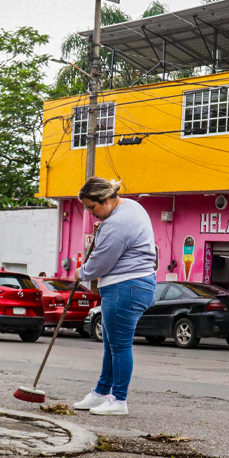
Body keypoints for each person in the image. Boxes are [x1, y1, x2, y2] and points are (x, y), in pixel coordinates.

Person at [72, 178, 157, 416]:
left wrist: (82, 272)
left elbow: (100, 262)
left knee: (119, 347)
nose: (90, 213)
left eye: (92, 207)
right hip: (134, 284)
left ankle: (119, 400)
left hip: (125, 287)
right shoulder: (130, 207)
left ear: (107, 199)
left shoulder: (116, 224)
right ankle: (100, 393)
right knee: (111, 346)